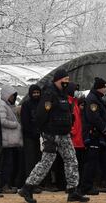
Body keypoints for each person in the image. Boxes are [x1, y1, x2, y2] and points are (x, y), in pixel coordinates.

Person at [19, 69, 89, 203]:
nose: (67, 83)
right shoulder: (49, 94)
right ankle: (27, 188)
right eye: (65, 80)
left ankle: (73, 190)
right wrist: (46, 134)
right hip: (52, 134)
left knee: (72, 160)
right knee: (46, 162)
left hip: (64, 134)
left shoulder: (62, 95)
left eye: (68, 81)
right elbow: (40, 116)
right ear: (58, 80)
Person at [81, 77, 106, 195]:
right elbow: (95, 118)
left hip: (100, 136)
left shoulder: (98, 99)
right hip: (93, 135)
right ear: (100, 87)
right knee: (91, 162)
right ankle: (86, 187)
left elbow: (103, 116)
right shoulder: (92, 99)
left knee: (105, 161)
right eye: (104, 87)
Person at [0, 85, 23, 194]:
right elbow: (2, 121)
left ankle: (9, 184)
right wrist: (15, 125)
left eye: (14, 96)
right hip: (7, 140)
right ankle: (5, 185)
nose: (13, 98)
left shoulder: (9, 106)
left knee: (12, 164)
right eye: (11, 96)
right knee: (7, 164)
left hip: (12, 141)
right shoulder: (2, 105)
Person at [20, 84, 43, 193]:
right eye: (34, 93)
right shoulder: (26, 105)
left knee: (39, 160)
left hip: (41, 137)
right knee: (30, 160)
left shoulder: (42, 104)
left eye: (38, 93)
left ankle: (37, 183)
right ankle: (30, 184)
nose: (36, 95)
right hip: (29, 137)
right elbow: (25, 122)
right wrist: (33, 132)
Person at [67, 84, 85, 189]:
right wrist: (72, 131)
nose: (77, 92)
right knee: (73, 164)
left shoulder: (75, 103)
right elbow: (71, 121)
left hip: (78, 139)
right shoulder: (70, 104)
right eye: (75, 90)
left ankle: (76, 185)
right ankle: (73, 186)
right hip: (74, 140)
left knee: (77, 164)